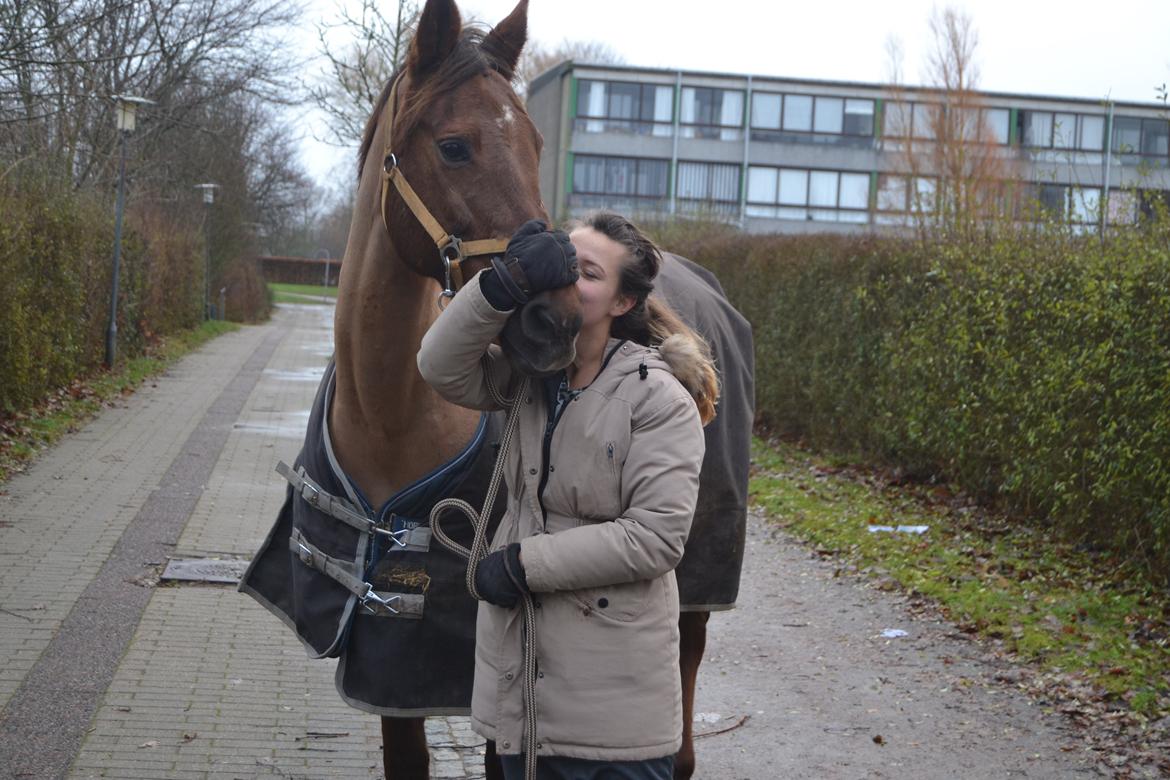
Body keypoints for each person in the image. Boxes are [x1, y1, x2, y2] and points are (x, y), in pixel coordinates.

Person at [417, 211, 718, 780]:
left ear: (622, 303)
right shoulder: (530, 377)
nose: (562, 279)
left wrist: (523, 564)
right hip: (520, 704)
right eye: (558, 262)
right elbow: (438, 365)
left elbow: (655, 538)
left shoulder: (658, 400)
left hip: (611, 729)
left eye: (586, 272)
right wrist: (500, 286)